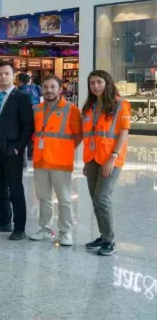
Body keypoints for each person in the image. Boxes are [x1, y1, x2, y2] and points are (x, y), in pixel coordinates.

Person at [29, 75, 82, 246]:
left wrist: (65, 149)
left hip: (60, 162)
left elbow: (78, 135)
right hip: (40, 160)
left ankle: (66, 233)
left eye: (52, 87)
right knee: (43, 198)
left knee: (64, 199)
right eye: (45, 87)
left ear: (60, 89)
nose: (49, 90)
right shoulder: (36, 109)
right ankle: (46, 229)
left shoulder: (71, 109)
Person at [82, 70, 130, 256]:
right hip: (92, 158)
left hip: (110, 158)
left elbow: (124, 132)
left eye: (99, 82)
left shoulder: (120, 104)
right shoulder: (89, 106)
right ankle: (103, 236)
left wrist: (113, 157)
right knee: (95, 199)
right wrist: (86, 162)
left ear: (107, 83)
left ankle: (110, 240)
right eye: (92, 83)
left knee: (102, 198)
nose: (95, 86)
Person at [0, 61, 35, 240]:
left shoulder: (21, 97)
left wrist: (18, 148)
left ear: (13, 75)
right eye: (0, 74)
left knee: (15, 189)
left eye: (6, 73)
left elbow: (28, 126)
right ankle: (4, 220)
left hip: (11, 149)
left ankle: (19, 227)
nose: (3, 77)